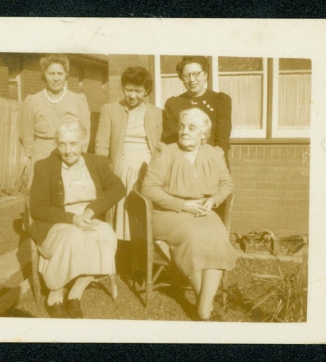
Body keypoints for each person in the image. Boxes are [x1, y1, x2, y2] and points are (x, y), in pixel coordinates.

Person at [141, 107, 236, 321]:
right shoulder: (166, 152)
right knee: (194, 237)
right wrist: (183, 205)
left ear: (203, 134)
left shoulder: (214, 153)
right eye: (182, 126)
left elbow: (227, 183)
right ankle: (205, 309)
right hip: (169, 213)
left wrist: (213, 200)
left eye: (191, 128)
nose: (184, 131)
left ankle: (203, 305)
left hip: (203, 212)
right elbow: (148, 188)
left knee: (218, 236)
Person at [29, 121, 125, 319]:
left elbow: (118, 188)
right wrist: (73, 219)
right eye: (62, 144)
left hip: (88, 218)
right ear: (56, 145)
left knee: (106, 235)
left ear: (83, 143)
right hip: (57, 222)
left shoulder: (97, 163)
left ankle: (75, 294)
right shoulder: (44, 166)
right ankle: (54, 294)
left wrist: (90, 212)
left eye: (73, 143)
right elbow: (37, 207)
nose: (68, 150)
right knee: (74, 237)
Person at [95, 66, 163, 242]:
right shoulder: (110, 109)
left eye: (138, 91)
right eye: (129, 90)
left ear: (146, 91)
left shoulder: (156, 113)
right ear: (123, 88)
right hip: (121, 166)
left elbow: (159, 145)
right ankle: (121, 249)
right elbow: (101, 145)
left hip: (148, 168)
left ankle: (142, 249)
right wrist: (104, 173)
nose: (133, 95)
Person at [20, 53, 91, 188]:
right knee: (41, 197)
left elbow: (85, 132)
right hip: (42, 156)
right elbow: (27, 135)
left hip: (71, 155)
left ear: (66, 76)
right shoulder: (32, 101)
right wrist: (32, 157)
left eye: (60, 73)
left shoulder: (78, 100)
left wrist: (78, 154)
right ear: (44, 76)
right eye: (51, 74)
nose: (56, 78)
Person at [162, 56, 232, 166]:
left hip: (212, 163)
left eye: (196, 74)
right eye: (186, 75)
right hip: (183, 164)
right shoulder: (173, 103)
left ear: (206, 75)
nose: (191, 79)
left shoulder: (220, 101)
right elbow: (171, 141)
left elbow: (222, 141)